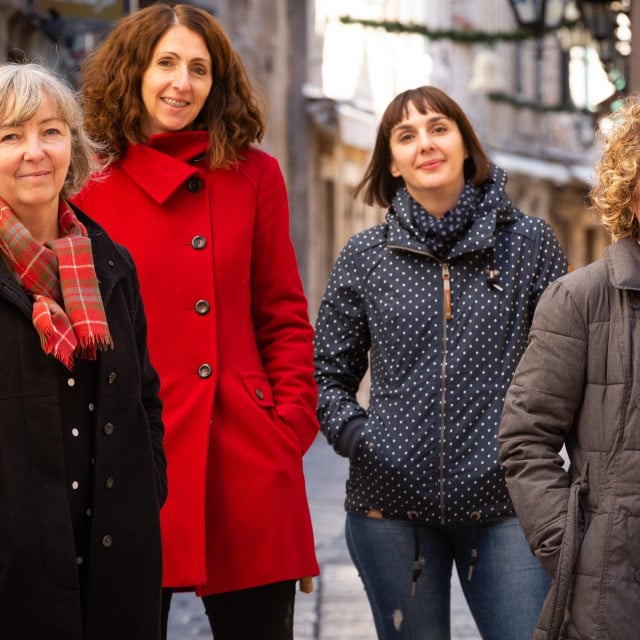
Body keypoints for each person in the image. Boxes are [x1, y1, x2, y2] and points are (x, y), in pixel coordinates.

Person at [71, 4, 319, 639]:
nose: (182, 83)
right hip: (127, 456)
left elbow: (283, 313)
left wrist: (288, 425)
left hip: (244, 456)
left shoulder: (254, 175)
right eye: (167, 64)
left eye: (200, 69)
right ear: (134, 71)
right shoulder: (87, 183)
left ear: (218, 83)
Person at [313, 85, 568, 640]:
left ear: (465, 145)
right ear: (394, 164)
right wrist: (364, 440)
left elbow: (565, 369)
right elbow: (327, 375)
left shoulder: (529, 244)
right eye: (406, 136)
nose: (424, 144)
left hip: (508, 502)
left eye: (438, 128)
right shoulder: (366, 256)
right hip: (391, 511)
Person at [0, 62, 166, 639]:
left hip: (115, 561)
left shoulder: (111, 263)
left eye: (51, 130)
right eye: (10, 136)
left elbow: (144, 396)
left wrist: (148, 487)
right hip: (14, 575)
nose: (34, 151)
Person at [499, 96, 640, 640]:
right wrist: (577, 548)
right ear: (630, 191)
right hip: (614, 593)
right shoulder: (579, 299)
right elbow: (525, 439)